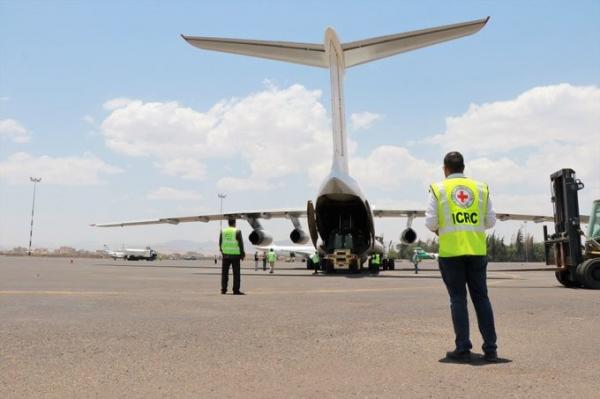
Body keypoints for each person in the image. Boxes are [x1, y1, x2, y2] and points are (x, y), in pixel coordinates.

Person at [425, 151, 498, 362]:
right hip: (476, 252)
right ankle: (491, 349)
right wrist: (473, 229)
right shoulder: (481, 188)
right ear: (463, 167)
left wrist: (444, 231)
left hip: (451, 254)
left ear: (445, 169)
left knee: (458, 299)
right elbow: (491, 221)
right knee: (481, 299)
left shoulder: (438, 189)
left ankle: (463, 348)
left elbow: (430, 222)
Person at [219, 219, 245, 295]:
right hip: (235, 255)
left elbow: (220, 243)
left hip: (225, 255)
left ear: (228, 223)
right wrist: (242, 254)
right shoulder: (237, 231)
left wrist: (223, 252)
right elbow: (241, 244)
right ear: (234, 223)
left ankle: (223, 289)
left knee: (224, 273)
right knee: (236, 273)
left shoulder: (223, 231)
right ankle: (236, 290)